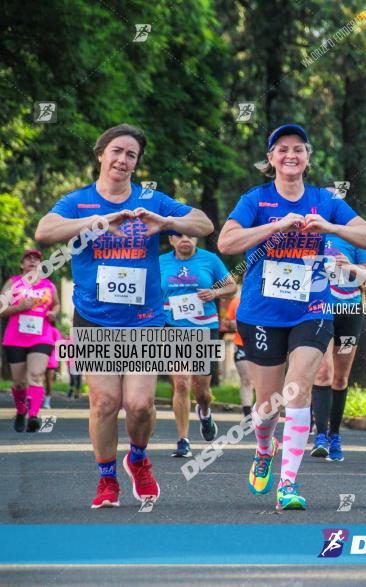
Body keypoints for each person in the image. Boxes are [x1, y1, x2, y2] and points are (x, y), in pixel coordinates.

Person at [35, 123, 214, 508]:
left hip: (143, 319)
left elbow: (204, 223)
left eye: (131, 155)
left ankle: (138, 457)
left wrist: (165, 222)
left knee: (139, 405)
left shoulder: (151, 200)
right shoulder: (79, 201)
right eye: (116, 151)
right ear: (101, 154)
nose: (123, 160)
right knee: (103, 403)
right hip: (94, 317)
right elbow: (45, 230)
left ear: (136, 163)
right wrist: (97, 223)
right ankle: (107, 479)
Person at [217, 123, 366, 510]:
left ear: (307, 159)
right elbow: (226, 241)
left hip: (313, 308)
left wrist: (330, 226)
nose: (291, 155)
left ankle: (287, 484)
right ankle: (263, 447)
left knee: (299, 388)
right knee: (267, 405)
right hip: (261, 313)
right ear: (270, 159)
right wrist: (273, 226)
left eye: (298, 149)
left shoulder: (325, 200)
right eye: (282, 149)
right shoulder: (255, 199)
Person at [311, 185, 366, 463]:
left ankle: (335, 434)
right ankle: (321, 435)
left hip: (349, 312)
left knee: (340, 376)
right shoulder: (309, 230)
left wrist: (349, 267)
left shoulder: (356, 236)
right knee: (322, 371)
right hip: (318, 310)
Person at [160, 234, 236, 458]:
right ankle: (183, 439)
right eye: (179, 235)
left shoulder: (210, 260)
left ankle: (204, 413)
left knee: (202, 390)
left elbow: (231, 285)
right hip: (172, 326)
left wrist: (214, 292)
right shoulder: (160, 262)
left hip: (204, 327)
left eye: (190, 235)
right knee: (181, 382)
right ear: (171, 240)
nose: (186, 239)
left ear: (196, 239)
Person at [0, 249, 60, 432]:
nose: (33, 261)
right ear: (22, 264)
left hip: (42, 336)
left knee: (35, 375)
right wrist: (19, 307)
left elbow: (56, 304)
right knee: (19, 382)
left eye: (37, 259)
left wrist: (53, 313)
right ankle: (20, 411)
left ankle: (33, 415)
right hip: (15, 337)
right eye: (29, 258)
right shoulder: (13, 283)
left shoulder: (49, 285)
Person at [225, 296, 254, 417]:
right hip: (241, 344)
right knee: (247, 379)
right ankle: (248, 414)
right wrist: (231, 324)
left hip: (262, 344)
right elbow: (227, 321)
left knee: (260, 382)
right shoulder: (237, 301)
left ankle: (263, 411)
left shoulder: (267, 298)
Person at [44, 322, 62, 409]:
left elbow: (59, 343)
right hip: (37, 357)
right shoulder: (39, 326)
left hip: (50, 359)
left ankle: (47, 401)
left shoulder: (54, 330)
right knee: (37, 380)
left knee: (48, 381)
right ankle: (36, 399)